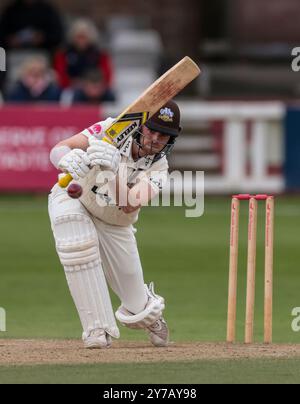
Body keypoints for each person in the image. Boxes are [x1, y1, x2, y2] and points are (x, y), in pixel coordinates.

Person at [48, 100, 181, 349]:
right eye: (151, 130)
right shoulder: (114, 128)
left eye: (162, 135)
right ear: (141, 125)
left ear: (170, 140)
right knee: (75, 239)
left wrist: (113, 170)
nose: (154, 138)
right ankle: (96, 329)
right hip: (76, 198)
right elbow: (58, 148)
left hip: (116, 222)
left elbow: (129, 204)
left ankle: (147, 308)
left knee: (136, 305)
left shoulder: (160, 170)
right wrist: (66, 159)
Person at [54, 19, 114, 92]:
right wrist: (73, 83)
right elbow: (60, 75)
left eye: (84, 37)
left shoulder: (100, 54)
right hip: (69, 89)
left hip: (95, 90)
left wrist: (90, 85)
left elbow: (106, 76)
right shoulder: (63, 54)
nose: (81, 40)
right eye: (78, 37)